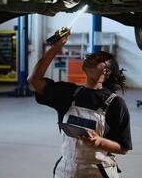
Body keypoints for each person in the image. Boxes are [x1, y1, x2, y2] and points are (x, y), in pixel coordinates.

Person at [28, 32, 132, 178]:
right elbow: (34, 80)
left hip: (97, 172)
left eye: (97, 58)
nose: (90, 58)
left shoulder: (115, 103)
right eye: (90, 56)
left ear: (106, 70)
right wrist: (56, 47)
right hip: (66, 170)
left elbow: (123, 148)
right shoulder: (68, 93)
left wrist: (100, 141)